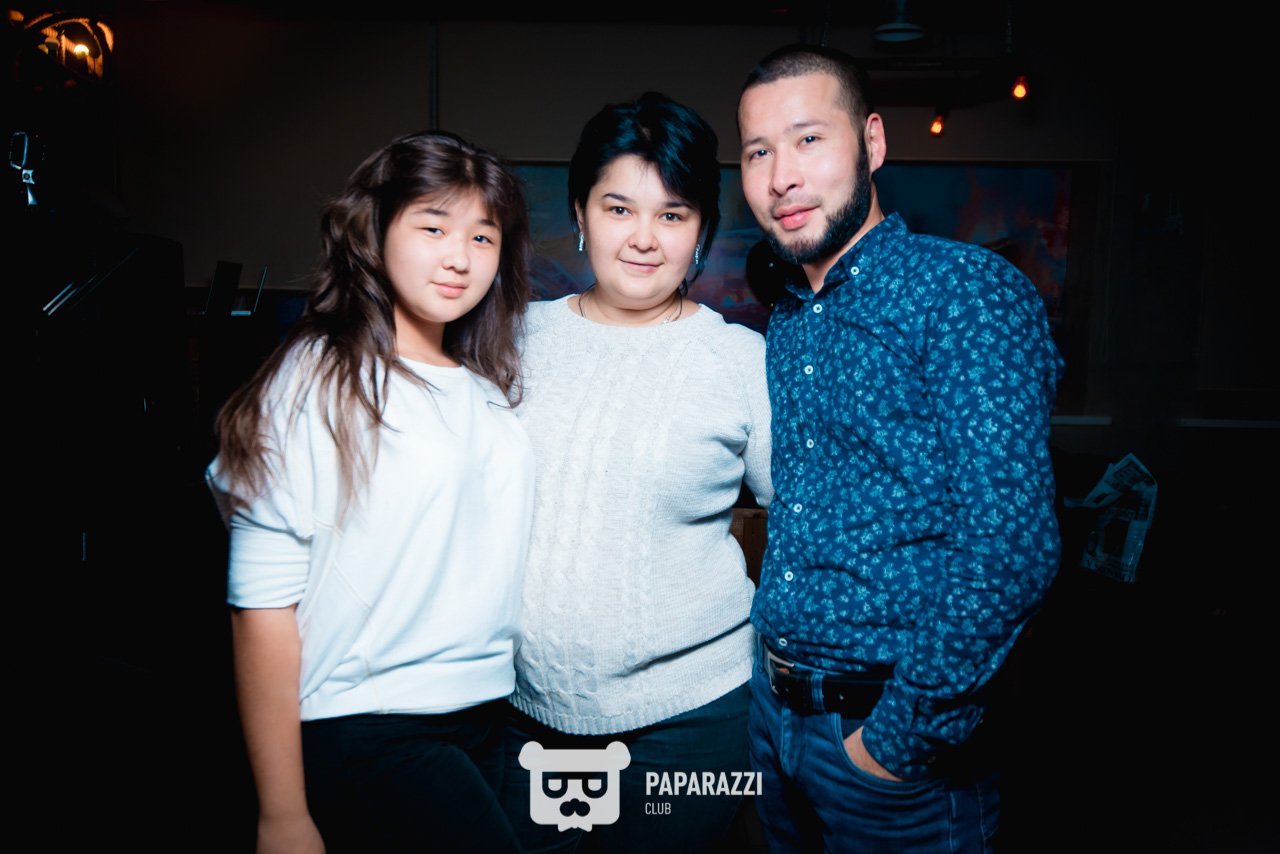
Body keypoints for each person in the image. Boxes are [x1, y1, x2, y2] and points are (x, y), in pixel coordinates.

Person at [737, 44, 1064, 852]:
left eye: (809, 139)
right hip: (775, 720)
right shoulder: (790, 315)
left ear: (873, 143)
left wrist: (896, 740)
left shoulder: (962, 292)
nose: (781, 176)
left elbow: (1012, 547)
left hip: (888, 744)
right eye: (758, 152)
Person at [207, 131, 534, 853]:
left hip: (487, 714)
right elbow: (260, 605)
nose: (460, 256)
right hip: (371, 724)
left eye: (483, 236)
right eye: (433, 227)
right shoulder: (320, 377)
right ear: (375, 230)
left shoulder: (486, 389)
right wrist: (281, 812)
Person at [501, 92, 772, 852]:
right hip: (518, 715)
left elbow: (813, 527)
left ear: (702, 230)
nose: (644, 238)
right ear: (581, 215)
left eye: (672, 214)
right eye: (619, 209)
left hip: (700, 722)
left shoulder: (741, 361)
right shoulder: (510, 340)